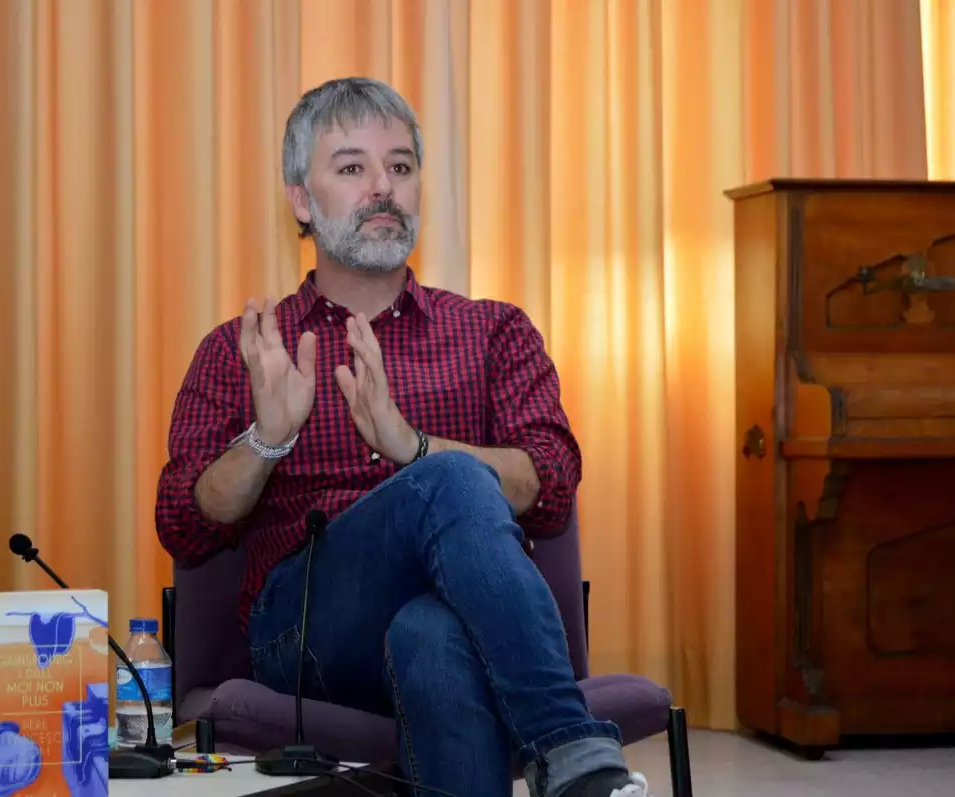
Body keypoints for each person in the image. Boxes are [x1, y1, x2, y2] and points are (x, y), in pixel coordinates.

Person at [155, 77, 650, 797]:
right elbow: (183, 524)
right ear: (300, 198)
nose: (382, 186)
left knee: (432, 632)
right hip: (305, 633)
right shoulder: (246, 348)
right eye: (352, 167)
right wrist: (266, 438)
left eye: (402, 166)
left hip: (462, 613)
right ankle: (573, 752)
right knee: (450, 481)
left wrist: (410, 444)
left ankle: (568, 762)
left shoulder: (493, 331)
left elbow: (549, 486)